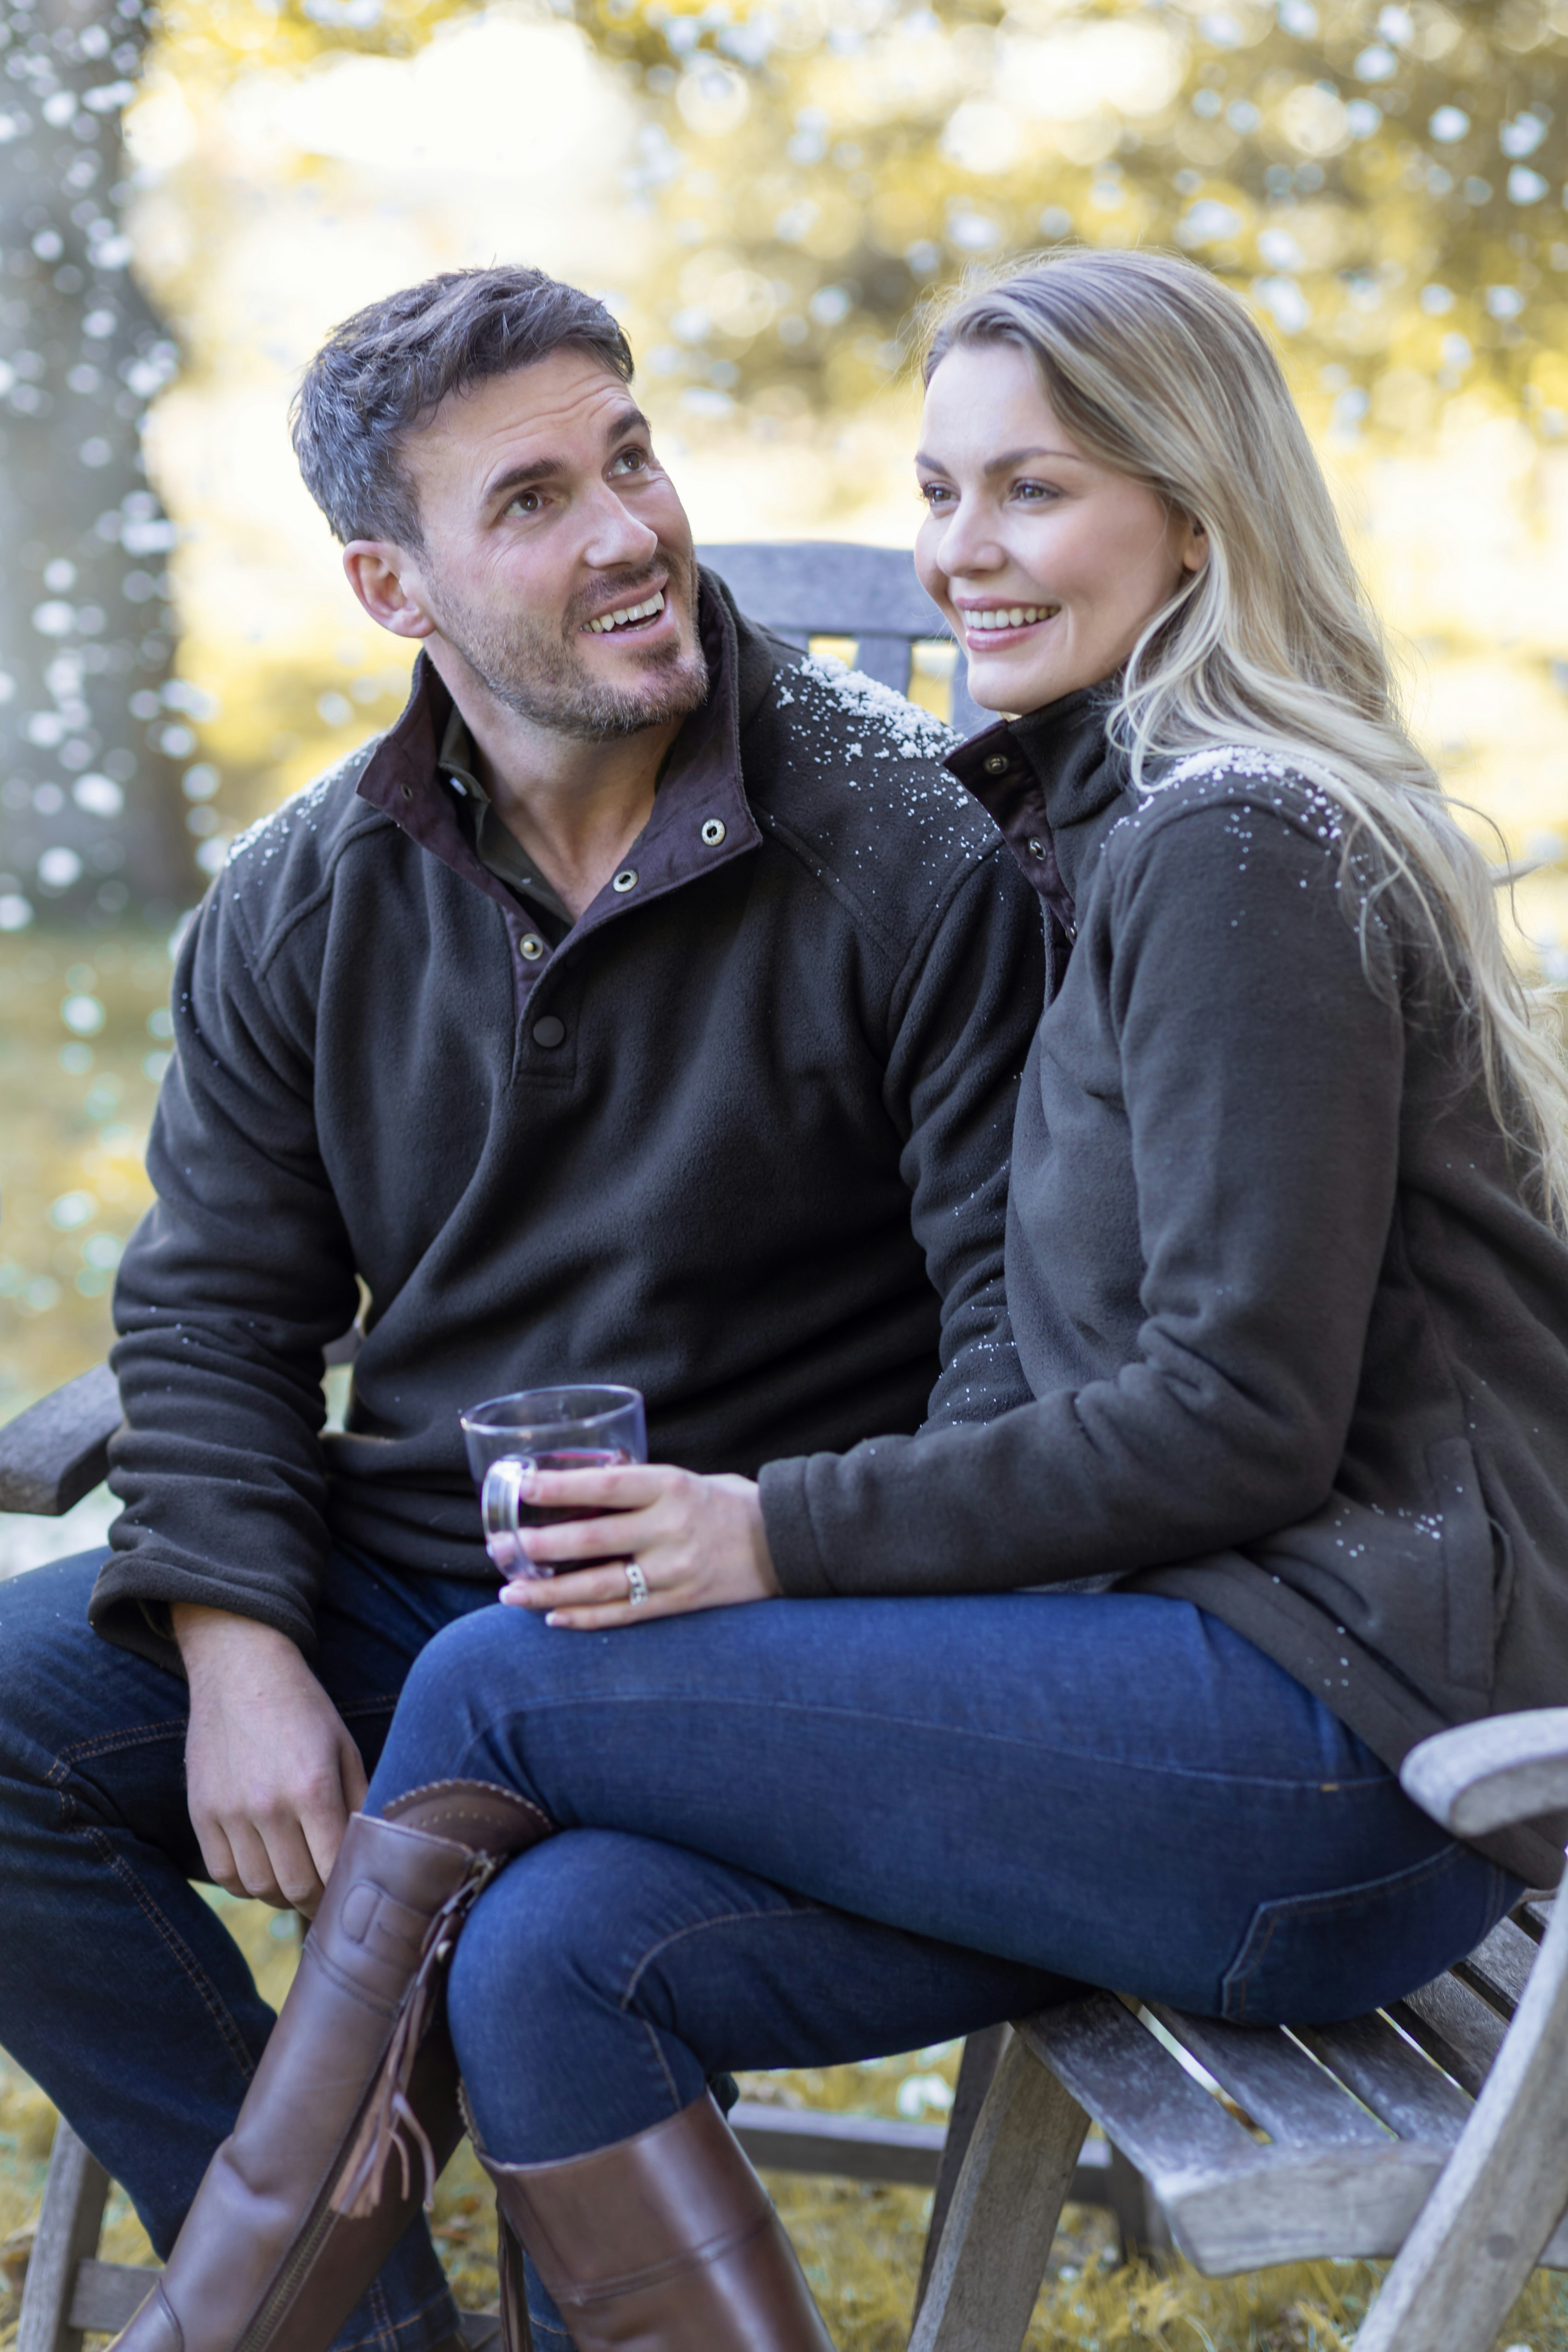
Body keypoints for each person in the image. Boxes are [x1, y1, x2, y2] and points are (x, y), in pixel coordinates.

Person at [102, 245, 1568, 2352]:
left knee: (507, 1685)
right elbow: (216, 1286)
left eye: (1035, 494)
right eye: (943, 491)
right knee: (545, 1957)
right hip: (1181, 1674)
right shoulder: (1091, 814)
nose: (967, 553)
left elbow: (1235, 1417)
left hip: (1358, 1753)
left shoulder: (1238, 844)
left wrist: (769, 1530)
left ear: (1198, 507)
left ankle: (221, 2329)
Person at [0, 266, 1049, 2352]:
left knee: (551, 1952)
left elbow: (1027, 1349)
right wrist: (231, 1642)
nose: (632, 527)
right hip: (423, 1573)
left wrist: (792, 1555)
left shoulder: (903, 859)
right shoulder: (307, 897)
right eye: (537, 498)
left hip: (763, 1626)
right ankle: (356, 2314)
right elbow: (211, 1300)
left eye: (633, 452)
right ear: (395, 587)